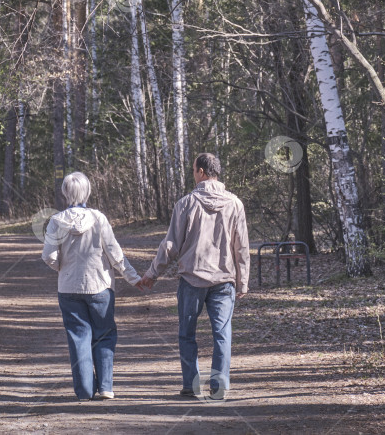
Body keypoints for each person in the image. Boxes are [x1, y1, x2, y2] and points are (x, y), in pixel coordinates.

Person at [140, 153, 250, 400]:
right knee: (222, 333)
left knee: (187, 333)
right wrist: (242, 281)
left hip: (191, 279)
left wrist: (152, 274)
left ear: (201, 172)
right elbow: (241, 246)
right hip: (224, 280)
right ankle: (219, 387)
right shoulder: (235, 203)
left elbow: (171, 245)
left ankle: (191, 384)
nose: (193, 175)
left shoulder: (186, 204)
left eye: (193, 170)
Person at [42, 172, 144, 401]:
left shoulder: (56, 221)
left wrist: (62, 267)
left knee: (79, 338)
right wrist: (134, 278)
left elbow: (48, 256)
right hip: (100, 287)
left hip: (68, 288)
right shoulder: (99, 219)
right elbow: (115, 254)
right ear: (87, 192)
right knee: (105, 335)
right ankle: (106, 387)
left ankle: (85, 391)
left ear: (65, 193)